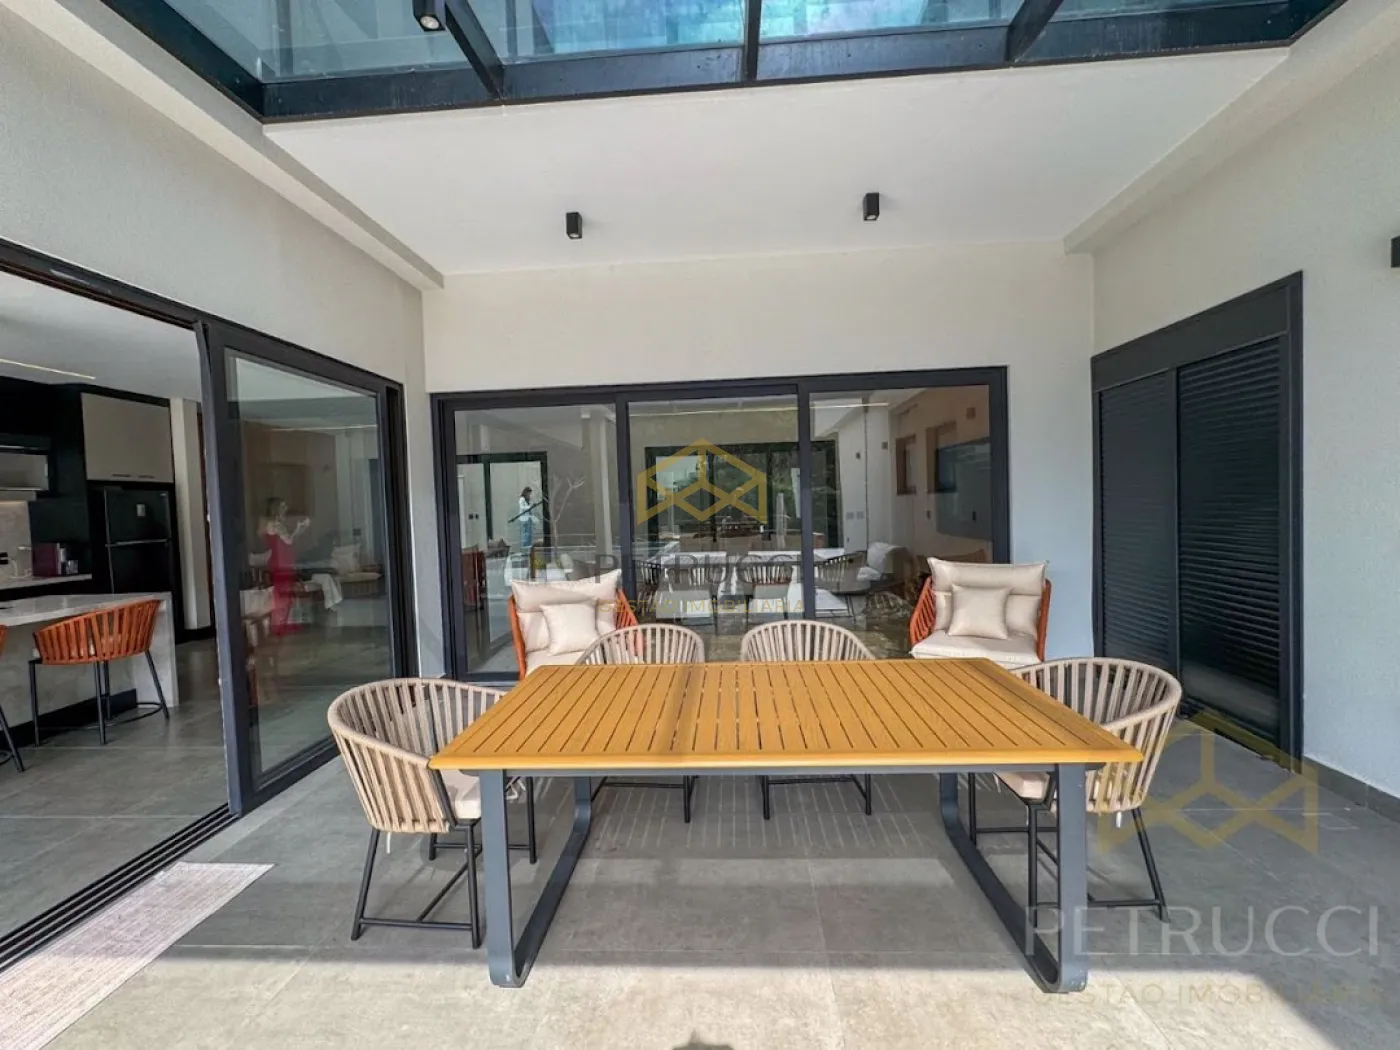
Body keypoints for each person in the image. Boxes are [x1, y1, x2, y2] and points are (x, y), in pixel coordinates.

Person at [263, 497, 309, 636]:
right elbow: (289, 541)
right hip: (280, 561)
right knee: (283, 593)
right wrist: (299, 529)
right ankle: (280, 625)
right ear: (276, 509)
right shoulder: (275, 524)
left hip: (281, 560)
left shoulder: (275, 524)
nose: (286, 509)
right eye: (283, 506)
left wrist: (299, 530)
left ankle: (284, 623)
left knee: (285, 592)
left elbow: (289, 540)